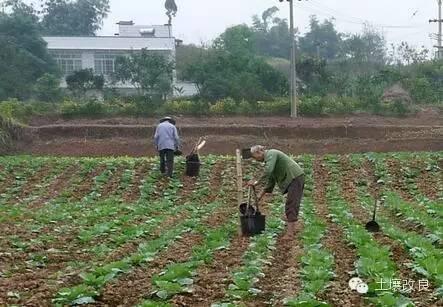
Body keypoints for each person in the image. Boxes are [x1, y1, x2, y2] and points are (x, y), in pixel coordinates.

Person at [248, 145, 304, 235]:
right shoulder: (270, 160)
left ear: (259, 152)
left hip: (295, 177)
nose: (256, 160)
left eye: (255, 157)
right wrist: (259, 196)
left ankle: (290, 233)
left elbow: (268, 171)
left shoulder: (271, 153)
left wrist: (256, 181)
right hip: (293, 178)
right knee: (291, 204)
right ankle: (291, 226)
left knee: (291, 204)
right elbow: (271, 181)